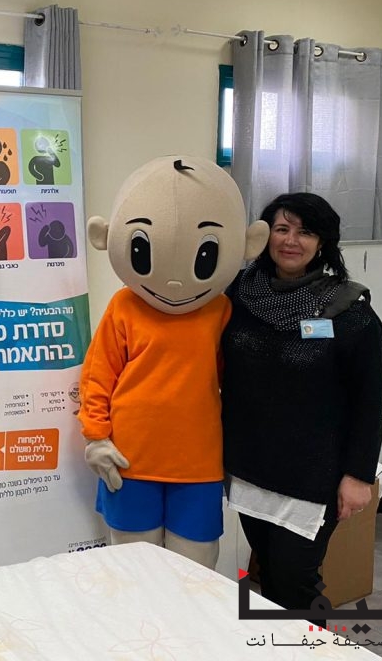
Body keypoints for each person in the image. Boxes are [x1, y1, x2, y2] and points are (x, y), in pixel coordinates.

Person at [79, 156, 267, 568]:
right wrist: (96, 437)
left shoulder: (221, 309)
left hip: (198, 463)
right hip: (129, 459)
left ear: (249, 243)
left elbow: (236, 379)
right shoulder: (124, 306)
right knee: (134, 568)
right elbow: (98, 375)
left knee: (194, 570)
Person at [221, 192, 382, 611]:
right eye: (282, 229)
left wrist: (359, 476)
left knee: (296, 583)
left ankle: (306, 643)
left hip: (313, 475)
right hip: (251, 466)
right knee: (268, 573)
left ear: (322, 243)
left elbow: (369, 400)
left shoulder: (349, 314)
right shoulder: (239, 295)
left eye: (306, 232)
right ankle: (279, 642)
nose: (291, 240)